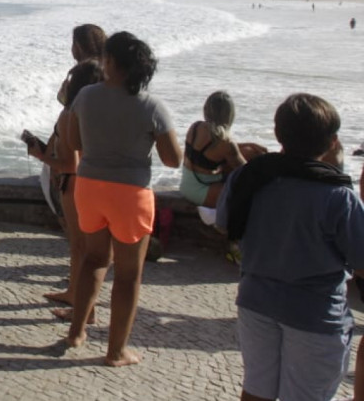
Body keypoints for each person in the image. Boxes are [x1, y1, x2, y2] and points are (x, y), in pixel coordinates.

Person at [216, 94, 364, 401]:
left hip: (256, 301)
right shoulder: (337, 195)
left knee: (256, 391)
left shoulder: (251, 176)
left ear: (278, 133)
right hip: (316, 314)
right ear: (332, 141)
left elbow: (224, 221)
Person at [64, 31, 181, 366]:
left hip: (89, 186)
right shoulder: (151, 105)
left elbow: (73, 140)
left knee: (94, 259)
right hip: (130, 193)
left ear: (112, 62)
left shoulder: (85, 96)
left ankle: (76, 332)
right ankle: (115, 351)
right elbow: (173, 159)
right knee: (129, 274)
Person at [26, 59, 104, 323]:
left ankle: (83, 309)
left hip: (73, 183)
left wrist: (40, 156)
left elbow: (70, 163)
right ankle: (74, 294)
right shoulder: (98, 113)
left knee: (80, 247)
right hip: (94, 182)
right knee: (83, 247)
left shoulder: (70, 114)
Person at [179, 91, 256, 208]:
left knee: (248, 151)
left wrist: (248, 145)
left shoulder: (195, 126)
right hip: (202, 191)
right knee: (251, 191)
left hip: (186, 185)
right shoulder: (227, 143)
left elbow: (212, 150)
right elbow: (247, 173)